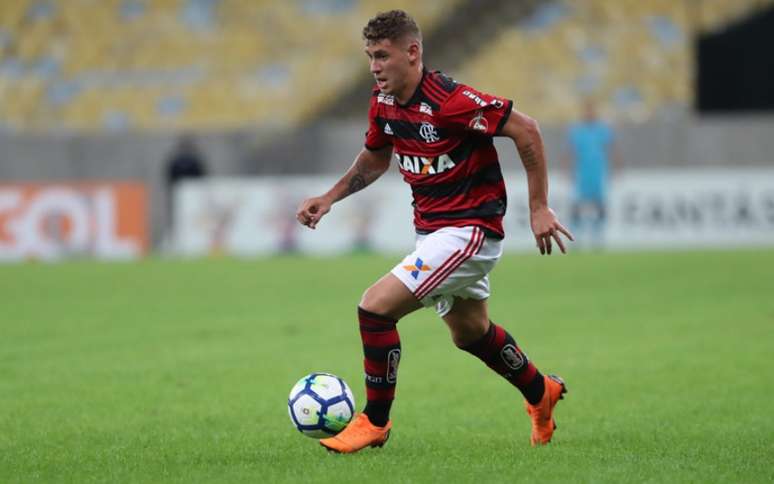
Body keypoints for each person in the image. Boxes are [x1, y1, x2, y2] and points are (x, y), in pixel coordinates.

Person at [296, 10, 574, 454]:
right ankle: (541, 391)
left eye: (383, 55)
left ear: (412, 52)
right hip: (433, 234)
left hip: (470, 231)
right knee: (470, 333)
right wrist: (329, 198)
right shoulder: (383, 102)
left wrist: (538, 206)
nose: (374, 66)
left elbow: (527, 130)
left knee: (374, 308)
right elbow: (374, 159)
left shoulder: (451, 101)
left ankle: (375, 422)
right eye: (369, 56)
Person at [565, 101, 620, 249]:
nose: (589, 113)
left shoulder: (602, 130)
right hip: (581, 173)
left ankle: (598, 235)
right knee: (576, 206)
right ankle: (575, 236)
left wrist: (616, 169)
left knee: (600, 205)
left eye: (591, 111)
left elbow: (612, 149)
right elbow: (570, 153)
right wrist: (567, 171)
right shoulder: (577, 131)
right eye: (586, 111)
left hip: (598, 173)